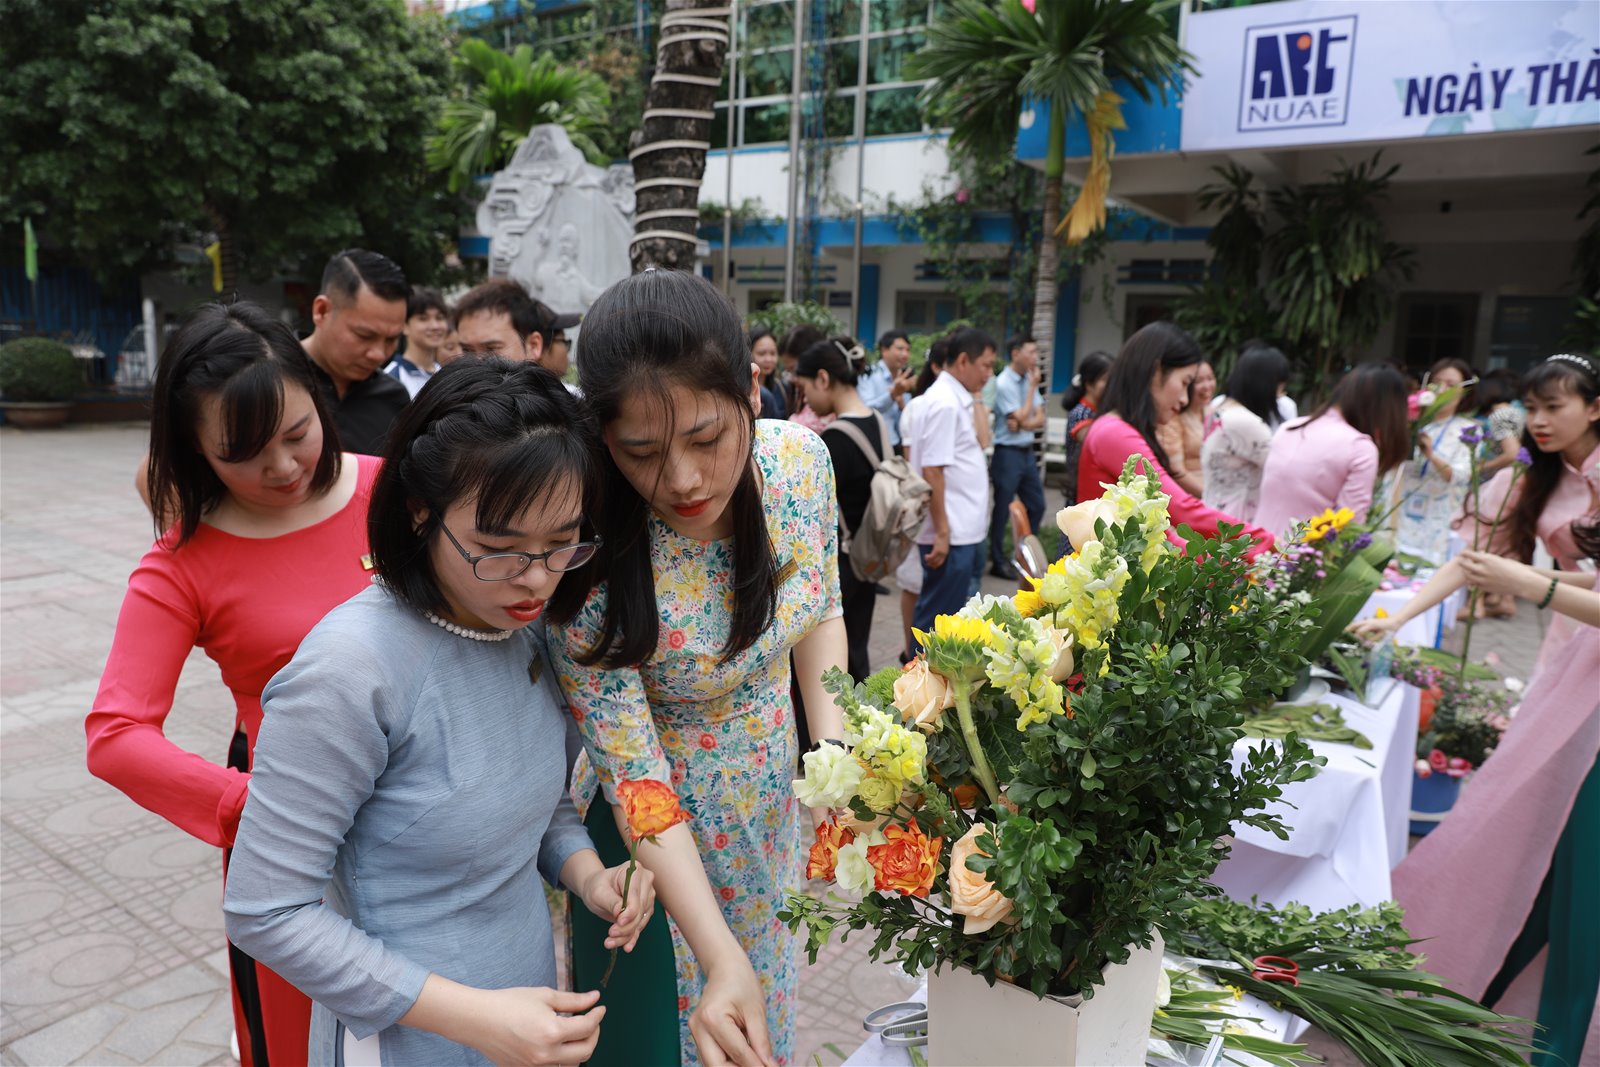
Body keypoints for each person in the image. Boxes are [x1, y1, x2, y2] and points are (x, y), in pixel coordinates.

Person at [223, 358, 654, 1066]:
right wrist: (479, 1019)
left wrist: (588, 876)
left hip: (523, 1012)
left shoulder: (519, 625)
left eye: (561, 543)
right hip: (410, 1036)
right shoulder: (351, 669)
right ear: (421, 511)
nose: (536, 578)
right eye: (498, 549)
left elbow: (534, 800)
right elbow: (265, 908)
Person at [546, 269, 847, 1067]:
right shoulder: (585, 557)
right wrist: (717, 953)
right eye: (641, 452)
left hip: (765, 812)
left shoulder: (799, 465)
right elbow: (637, 781)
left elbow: (819, 606)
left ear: (751, 387)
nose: (680, 479)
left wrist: (834, 757)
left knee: (762, 1014)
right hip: (650, 848)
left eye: (707, 439)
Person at [87, 301, 382, 1067]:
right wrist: (248, 803)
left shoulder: (394, 493)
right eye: (243, 453)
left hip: (426, 813)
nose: (282, 467)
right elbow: (116, 735)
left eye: (296, 433)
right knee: (304, 1036)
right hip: (294, 833)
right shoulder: (184, 562)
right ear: (195, 449)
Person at [1351, 541, 1599, 1067]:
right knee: (1538, 872)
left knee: (1580, 901)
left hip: (1585, 727)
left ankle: (1554, 1045)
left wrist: (1533, 585)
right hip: (1573, 716)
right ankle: (1486, 1010)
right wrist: (1399, 618)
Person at [1454, 352, 1600, 679]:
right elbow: (1473, 557)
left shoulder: (1499, 420)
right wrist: (1398, 619)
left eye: (1553, 407)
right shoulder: (1533, 478)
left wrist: (1528, 583)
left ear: (1595, 408)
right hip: (1571, 617)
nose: (1538, 421)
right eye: (1531, 409)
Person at [1078, 322, 1274, 553]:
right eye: (1184, 383)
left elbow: (1165, 534)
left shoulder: (1115, 428)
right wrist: (1266, 544)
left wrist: (1220, 563)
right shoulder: (1114, 433)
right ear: (1156, 372)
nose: (1184, 399)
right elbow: (1181, 509)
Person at [794, 336, 882, 682]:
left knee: (832, 658)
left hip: (841, 562)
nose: (805, 399)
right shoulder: (877, 422)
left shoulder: (834, 439)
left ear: (823, 379)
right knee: (857, 648)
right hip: (870, 556)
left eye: (804, 389)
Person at [1252, 363, 1409, 538]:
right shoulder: (1360, 448)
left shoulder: (1289, 428)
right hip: (1301, 552)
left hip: (1254, 547)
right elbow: (1348, 528)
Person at [910, 326, 996, 633]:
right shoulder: (945, 402)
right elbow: (932, 470)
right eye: (985, 365)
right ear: (962, 360)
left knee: (945, 623)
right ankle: (917, 665)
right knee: (936, 625)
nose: (989, 374)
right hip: (951, 532)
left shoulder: (954, 398)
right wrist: (943, 533)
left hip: (959, 529)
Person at [300, 248, 413, 455]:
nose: (379, 354)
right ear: (321, 311)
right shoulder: (272, 378)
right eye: (364, 336)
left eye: (392, 339)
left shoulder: (394, 400)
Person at [1395, 357, 1479, 563]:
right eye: (1436, 382)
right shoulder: (1410, 421)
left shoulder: (1468, 430)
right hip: (1400, 514)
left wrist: (1431, 455)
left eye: (1451, 385)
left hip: (1439, 522)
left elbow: (1461, 476)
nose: (1442, 389)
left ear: (1464, 391)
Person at [896, 338, 950, 660]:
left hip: (949, 511)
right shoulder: (919, 407)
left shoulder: (958, 405)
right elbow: (912, 465)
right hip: (923, 507)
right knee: (914, 583)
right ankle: (910, 653)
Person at [1202, 344, 1291, 520]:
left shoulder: (1219, 410)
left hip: (1213, 512)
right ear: (1265, 385)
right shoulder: (1248, 423)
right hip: (1235, 524)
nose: (1280, 396)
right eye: (1279, 387)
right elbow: (1284, 470)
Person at [987, 334, 1046, 580]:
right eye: (1031, 352)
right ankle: (997, 560)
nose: (1035, 357)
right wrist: (1031, 390)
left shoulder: (1027, 379)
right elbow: (1020, 416)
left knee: (1037, 505)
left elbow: (1038, 418)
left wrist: (1024, 423)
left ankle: (1021, 556)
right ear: (1015, 353)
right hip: (1007, 453)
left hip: (1026, 452)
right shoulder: (1004, 383)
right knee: (1002, 509)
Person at [453, 279, 580, 372]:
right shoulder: (447, 398)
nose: (477, 362)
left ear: (534, 346)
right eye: (467, 350)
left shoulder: (564, 401)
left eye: (491, 349)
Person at [1060, 350, 1113, 510]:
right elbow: (1099, 444)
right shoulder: (1081, 414)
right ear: (1089, 384)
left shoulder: (1099, 412)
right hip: (1081, 492)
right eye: (1105, 380)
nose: (1111, 386)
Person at [1156, 359, 1214, 498]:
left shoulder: (1212, 411)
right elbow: (1177, 471)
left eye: (1210, 378)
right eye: (1199, 381)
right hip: (1190, 496)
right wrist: (1210, 497)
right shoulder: (1172, 419)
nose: (1207, 386)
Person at [857, 329, 917, 450]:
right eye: (900, 349)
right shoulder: (869, 374)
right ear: (884, 350)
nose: (905, 355)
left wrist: (902, 404)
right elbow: (866, 408)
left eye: (907, 350)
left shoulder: (906, 376)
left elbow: (909, 416)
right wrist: (892, 395)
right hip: (874, 443)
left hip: (899, 443)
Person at [385, 287, 450, 398]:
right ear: (404, 325)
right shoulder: (392, 377)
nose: (435, 326)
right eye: (423, 318)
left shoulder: (446, 374)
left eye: (439, 318)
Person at [780, 324, 830, 433]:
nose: (792, 378)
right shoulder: (797, 394)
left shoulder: (826, 402)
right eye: (788, 371)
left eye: (795, 370)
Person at [750, 329, 786, 419]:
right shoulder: (742, 389)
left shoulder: (782, 389)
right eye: (761, 354)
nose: (768, 359)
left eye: (773, 353)